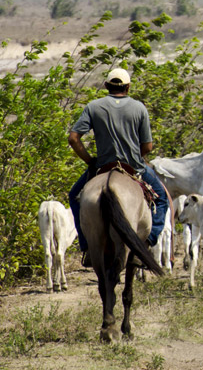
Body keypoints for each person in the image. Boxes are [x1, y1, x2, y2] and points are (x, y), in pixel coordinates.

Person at [67, 67, 169, 266]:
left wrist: (90, 161)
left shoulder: (94, 106)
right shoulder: (139, 108)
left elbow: (73, 138)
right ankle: (146, 244)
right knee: (162, 198)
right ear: (128, 87)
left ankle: (87, 245)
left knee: (74, 196)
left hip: (103, 167)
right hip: (134, 167)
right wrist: (135, 157)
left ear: (106, 86)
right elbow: (148, 146)